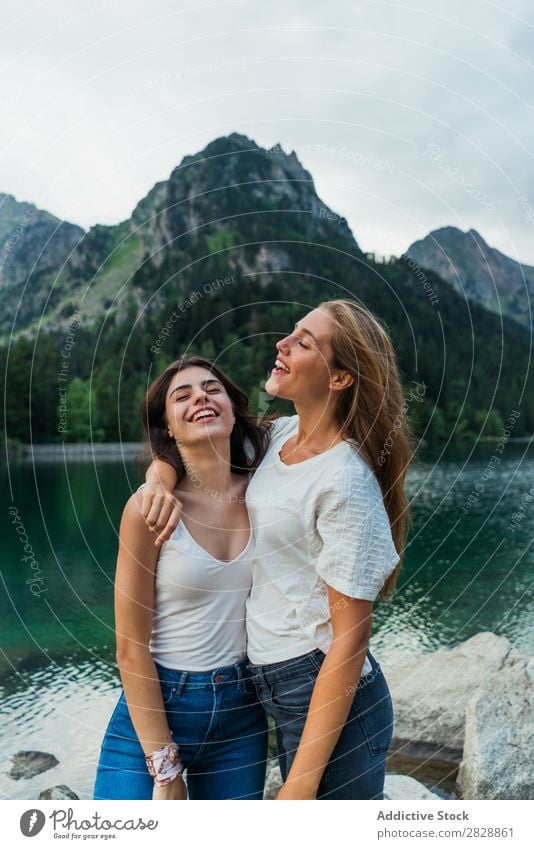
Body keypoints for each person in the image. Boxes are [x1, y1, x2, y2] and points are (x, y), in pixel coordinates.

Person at [143, 299, 414, 799]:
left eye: (304, 342)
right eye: (292, 332)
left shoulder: (344, 478)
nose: (282, 344)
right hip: (275, 687)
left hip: (327, 692)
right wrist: (158, 477)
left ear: (339, 379)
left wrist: (299, 788)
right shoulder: (281, 436)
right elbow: (193, 442)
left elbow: (350, 641)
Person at [93, 356, 270, 800]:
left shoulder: (269, 488)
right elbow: (131, 649)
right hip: (156, 708)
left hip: (242, 716)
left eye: (212, 389)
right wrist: (166, 770)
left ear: (232, 409)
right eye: (182, 395)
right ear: (168, 427)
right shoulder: (148, 509)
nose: (200, 398)